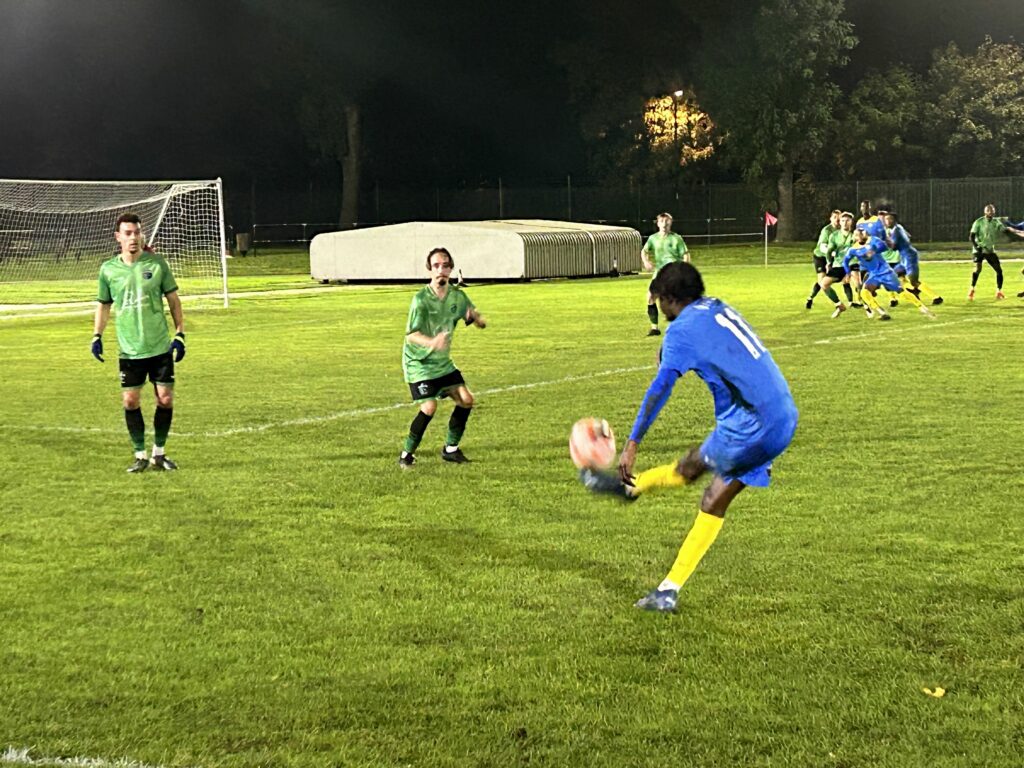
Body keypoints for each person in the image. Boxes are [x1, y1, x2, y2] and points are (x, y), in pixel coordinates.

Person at [580, 262, 798, 612]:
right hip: (782, 414)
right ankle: (637, 504)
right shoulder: (715, 308)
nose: (658, 306)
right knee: (711, 495)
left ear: (669, 298)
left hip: (750, 425)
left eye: (658, 299)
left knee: (694, 472)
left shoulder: (682, 330)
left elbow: (660, 389)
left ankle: (632, 492)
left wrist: (632, 444)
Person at [92, 213, 186, 472]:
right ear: (118, 237)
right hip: (129, 349)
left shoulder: (157, 264)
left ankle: (159, 453)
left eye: (137, 232)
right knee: (130, 402)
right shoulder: (108, 270)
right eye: (128, 233)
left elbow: (174, 300)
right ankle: (140, 455)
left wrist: (180, 333)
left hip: (159, 345)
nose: (133, 238)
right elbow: (103, 305)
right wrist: (97, 335)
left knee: (165, 399)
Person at [399, 247, 486, 467]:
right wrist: (432, 342)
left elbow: (472, 316)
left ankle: (451, 449)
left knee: (466, 400)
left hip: (442, 363)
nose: (441, 270)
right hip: (419, 363)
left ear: (450, 269)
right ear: (429, 269)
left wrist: (477, 319)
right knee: (429, 407)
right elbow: (411, 335)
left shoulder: (457, 296)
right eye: (436, 266)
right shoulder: (420, 300)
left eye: (445, 266)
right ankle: (406, 454)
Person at [843, 227, 934, 320]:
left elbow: (884, 246)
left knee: (901, 292)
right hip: (874, 275)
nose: (860, 236)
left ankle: (922, 307)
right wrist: (848, 273)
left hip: (886, 272)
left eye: (862, 233)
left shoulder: (873, 240)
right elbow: (845, 261)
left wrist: (873, 250)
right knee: (864, 292)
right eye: (857, 235)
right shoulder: (853, 249)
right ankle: (882, 312)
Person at [640, 212, 689, 336]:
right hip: (659, 273)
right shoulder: (653, 238)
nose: (664, 224)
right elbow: (644, 251)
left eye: (667, 221)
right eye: (661, 221)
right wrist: (646, 261)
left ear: (670, 223)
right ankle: (654, 328)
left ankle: (682, 327)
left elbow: (685, 254)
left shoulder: (676, 238)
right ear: (657, 223)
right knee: (650, 297)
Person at [882, 211, 943, 305]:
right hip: (905, 256)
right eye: (886, 219)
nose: (887, 221)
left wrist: (884, 241)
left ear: (895, 220)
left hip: (909, 256)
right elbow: (908, 236)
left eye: (890, 219)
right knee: (897, 275)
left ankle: (936, 297)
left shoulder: (896, 231)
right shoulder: (898, 228)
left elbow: (893, 247)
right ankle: (913, 291)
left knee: (913, 281)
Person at [968, 204, 1024, 300]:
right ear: (985, 211)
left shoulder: (996, 222)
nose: (991, 212)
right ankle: (972, 290)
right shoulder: (979, 221)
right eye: (989, 210)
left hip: (990, 250)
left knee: (999, 270)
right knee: (977, 269)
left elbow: (1004, 230)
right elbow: (971, 236)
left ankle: (999, 291)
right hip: (979, 249)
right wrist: (977, 247)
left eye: (992, 210)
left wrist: (1010, 230)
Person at [806, 210, 841, 310]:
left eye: (839, 218)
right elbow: (822, 247)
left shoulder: (842, 230)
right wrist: (833, 253)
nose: (837, 220)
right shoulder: (826, 230)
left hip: (832, 258)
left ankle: (852, 301)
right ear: (830, 219)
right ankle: (837, 303)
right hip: (820, 257)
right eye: (835, 217)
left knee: (827, 280)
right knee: (822, 281)